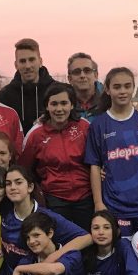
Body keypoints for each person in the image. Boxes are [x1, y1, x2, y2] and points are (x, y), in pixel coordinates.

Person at [85, 67, 138, 238]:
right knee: (121, 250)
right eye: (117, 87)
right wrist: (98, 202)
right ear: (107, 90)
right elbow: (94, 166)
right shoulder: (99, 125)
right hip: (115, 205)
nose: (122, 91)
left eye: (127, 86)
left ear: (133, 88)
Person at [20, 82, 93, 230]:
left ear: (72, 105)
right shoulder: (35, 134)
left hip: (86, 197)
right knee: (59, 239)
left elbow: (97, 159)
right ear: (47, 106)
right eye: (54, 104)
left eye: (64, 103)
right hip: (54, 199)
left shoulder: (84, 127)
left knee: (87, 239)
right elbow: (24, 170)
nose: (59, 109)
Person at [0, 38, 56, 133]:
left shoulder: (57, 92)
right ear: (16, 65)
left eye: (32, 60)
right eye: (22, 61)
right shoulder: (4, 96)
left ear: (40, 61)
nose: (27, 66)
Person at [66, 52, 103, 122]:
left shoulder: (110, 101)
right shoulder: (63, 106)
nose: (82, 75)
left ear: (96, 75)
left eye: (87, 71)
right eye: (76, 72)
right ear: (69, 79)